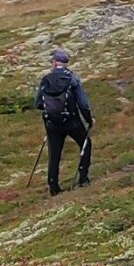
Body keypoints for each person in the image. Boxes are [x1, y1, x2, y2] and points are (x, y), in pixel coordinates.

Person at [34, 49, 93, 195]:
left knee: (54, 153)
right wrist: (88, 119)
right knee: (85, 143)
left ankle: (53, 186)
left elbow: (38, 104)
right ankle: (83, 178)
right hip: (72, 121)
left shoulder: (46, 79)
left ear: (54, 62)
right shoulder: (72, 78)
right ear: (65, 63)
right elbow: (83, 103)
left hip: (52, 123)